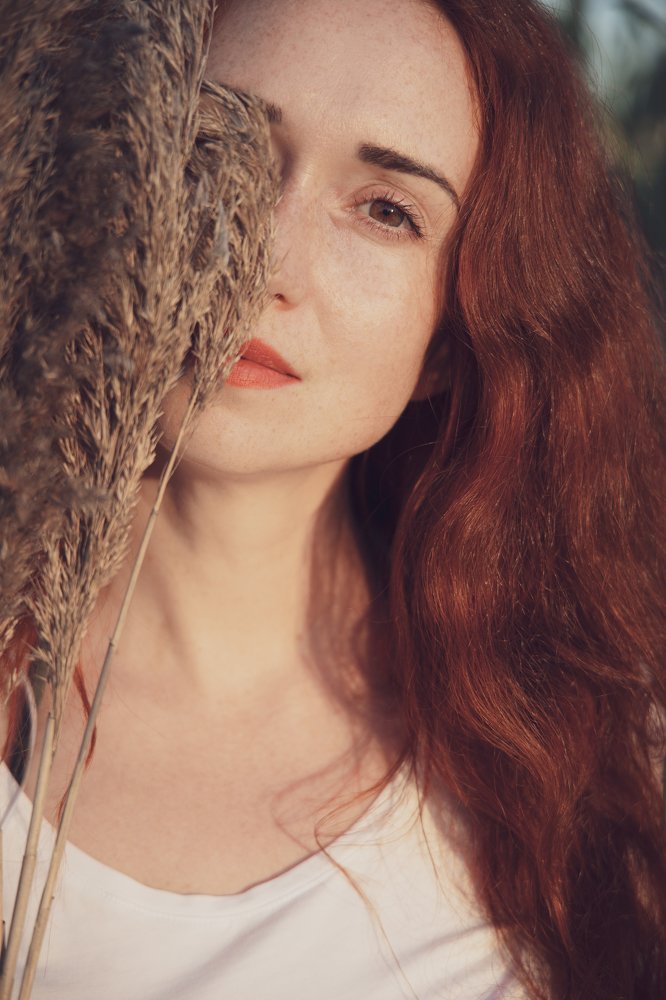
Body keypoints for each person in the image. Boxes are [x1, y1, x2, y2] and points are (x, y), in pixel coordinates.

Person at [1, 0, 665, 997]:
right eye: (221, 146)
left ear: (450, 343)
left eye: (387, 210)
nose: (264, 262)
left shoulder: (589, 751)